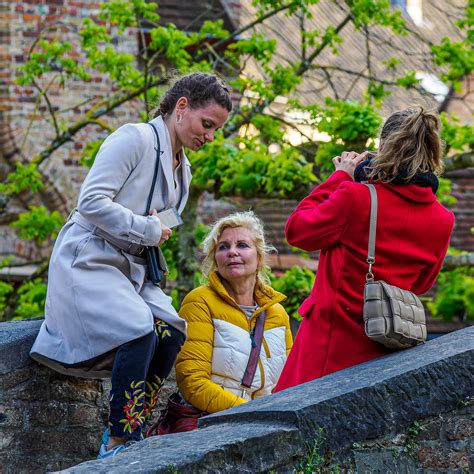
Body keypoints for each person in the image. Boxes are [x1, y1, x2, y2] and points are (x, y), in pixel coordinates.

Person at [29, 72, 232, 457]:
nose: (209, 136)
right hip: (88, 258)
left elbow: (162, 222)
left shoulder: (182, 168)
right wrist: (147, 228)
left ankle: (133, 425)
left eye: (216, 129)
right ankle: (118, 439)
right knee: (139, 329)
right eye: (207, 125)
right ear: (181, 107)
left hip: (132, 268)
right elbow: (90, 202)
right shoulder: (133, 138)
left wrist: (155, 231)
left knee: (171, 331)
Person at [274, 106, 454, 392]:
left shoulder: (357, 197)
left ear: (383, 147)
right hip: (387, 347)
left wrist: (340, 176)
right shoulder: (442, 219)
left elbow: (297, 230)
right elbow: (422, 283)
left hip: (328, 349)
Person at [172, 211, 293, 424]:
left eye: (242, 245)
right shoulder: (200, 302)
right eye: (223, 247)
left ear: (259, 257)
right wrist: (252, 415)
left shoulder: (277, 313)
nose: (232, 252)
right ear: (214, 259)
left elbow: (291, 380)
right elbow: (193, 381)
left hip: (269, 428)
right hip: (215, 424)